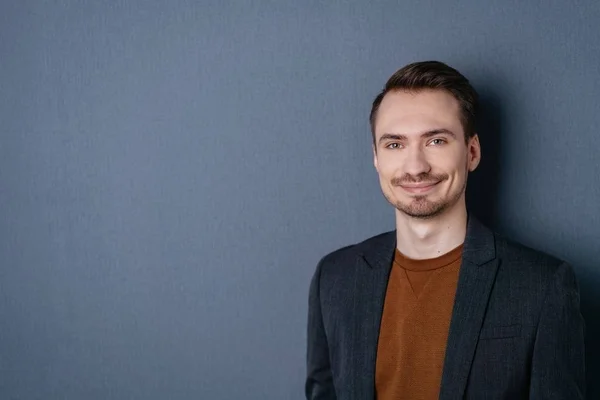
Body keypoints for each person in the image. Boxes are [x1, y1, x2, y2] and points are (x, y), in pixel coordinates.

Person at [305, 61, 585, 399]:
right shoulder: (334, 278)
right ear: (376, 158)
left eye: (436, 141)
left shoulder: (542, 286)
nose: (415, 167)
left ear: (472, 152)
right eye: (395, 144)